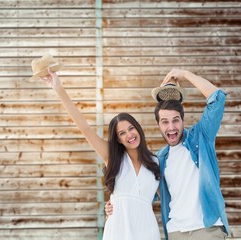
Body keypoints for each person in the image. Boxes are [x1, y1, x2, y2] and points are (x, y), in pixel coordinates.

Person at [106, 69, 230, 240]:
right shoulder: (158, 160)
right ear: (158, 125)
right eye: (165, 122)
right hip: (175, 233)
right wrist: (115, 205)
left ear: (183, 120)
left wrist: (186, 74)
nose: (171, 127)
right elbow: (141, 191)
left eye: (175, 120)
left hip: (206, 230)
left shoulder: (201, 138)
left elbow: (217, 98)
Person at [40, 67, 161, 240]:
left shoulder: (156, 161)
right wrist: (58, 88)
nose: (129, 135)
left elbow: (170, 198)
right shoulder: (113, 157)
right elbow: (85, 129)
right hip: (118, 232)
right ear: (118, 139)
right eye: (122, 133)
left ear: (138, 129)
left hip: (147, 232)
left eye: (131, 129)